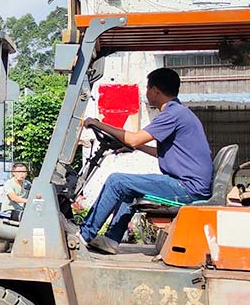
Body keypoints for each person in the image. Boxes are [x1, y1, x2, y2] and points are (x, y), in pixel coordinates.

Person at [79, 67, 212, 254]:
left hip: (187, 188)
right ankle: (110, 240)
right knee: (128, 188)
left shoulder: (173, 114)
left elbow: (133, 138)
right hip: (188, 184)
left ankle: (82, 236)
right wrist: (134, 147)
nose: (146, 93)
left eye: (148, 89)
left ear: (155, 91)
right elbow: (160, 151)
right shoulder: (179, 112)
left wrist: (97, 123)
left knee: (117, 181)